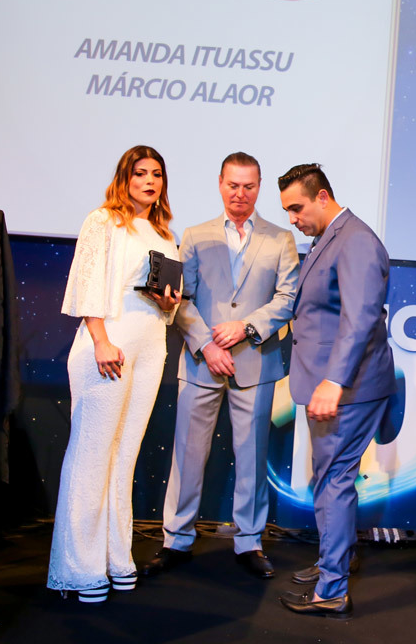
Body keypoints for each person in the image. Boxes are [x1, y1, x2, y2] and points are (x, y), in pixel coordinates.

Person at [140, 152, 299, 580]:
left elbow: (287, 299)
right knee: (187, 456)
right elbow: (181, 298)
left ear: (259, 187)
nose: (240, 194)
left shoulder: (281, 238)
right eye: (233, 185)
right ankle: (176, 539)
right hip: (201, 363)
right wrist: (206, 345)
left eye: (248, 186)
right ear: (220, 183)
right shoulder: (195, 235)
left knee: (252, 458)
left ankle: (249, 542)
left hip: (255, 364)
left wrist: (245, 328)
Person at [47, 145, 182, 603]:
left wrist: (168, 302)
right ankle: (80, 568)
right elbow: (87, 284)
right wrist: (102, 341)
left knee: (124, 456)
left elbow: (166, 303)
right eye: (140, 173)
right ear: (125, 177)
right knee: (92, 454)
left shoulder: (164, 233)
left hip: (151, 347)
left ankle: (115, 558)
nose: (150, 181)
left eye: (157, 174)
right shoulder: (103, 220)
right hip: (109, 344)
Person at [276, 164, 396, 619]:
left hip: (349, 386)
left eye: (297, 208)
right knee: (329, 479)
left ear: (322, 196)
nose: (292, 219)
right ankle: (334, 562)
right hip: (332, 382)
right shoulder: (330, 237)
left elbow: (360, 318)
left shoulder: (356, 240)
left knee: (334, 481)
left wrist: (334, 381)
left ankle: (332, 589)